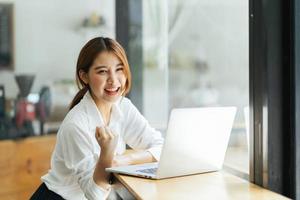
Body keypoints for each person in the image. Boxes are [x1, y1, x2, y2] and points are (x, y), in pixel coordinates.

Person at [30, 37, 164, 200]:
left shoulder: (123, 106)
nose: (113, 80)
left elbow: (161, 147)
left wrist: (123, 160)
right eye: (102, 71)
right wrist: (107, 154)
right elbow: (95, 195)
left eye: (119, 69)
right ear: (84, 76)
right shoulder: (75, 124)